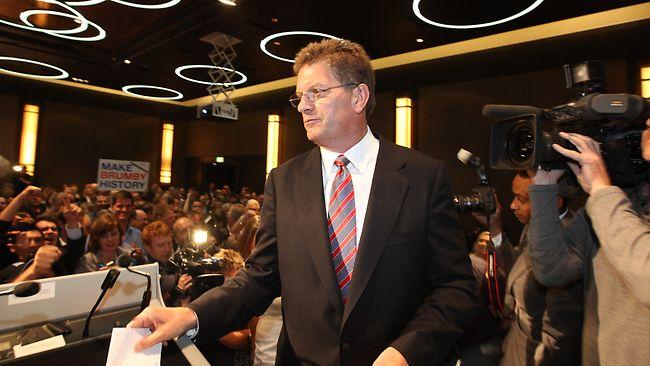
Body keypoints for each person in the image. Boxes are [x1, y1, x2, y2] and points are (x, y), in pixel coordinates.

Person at [130, 38, 476, 365]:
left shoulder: (422, 177)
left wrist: (406, 352)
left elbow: (454, 287)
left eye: (317, 92)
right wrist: (191, 314)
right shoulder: (284, 181)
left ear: (359, 97)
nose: (303, 106)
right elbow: (259, 279)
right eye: (299, 97)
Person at [526, 123, 650, 366]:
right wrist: (544, 185)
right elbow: (553, 270)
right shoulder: (620, 200)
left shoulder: (609, 201)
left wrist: (601, 191)